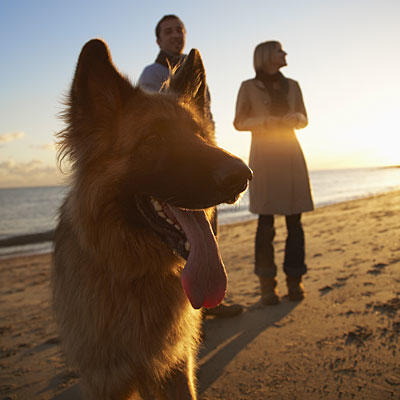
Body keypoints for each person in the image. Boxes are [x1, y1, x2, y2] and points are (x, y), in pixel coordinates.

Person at [138, 15, 242, 318]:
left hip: (203, 164)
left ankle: (209, 303)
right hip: (177, 171)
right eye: (168, 31)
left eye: (179, 30)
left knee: (206, 237)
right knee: (177, 243)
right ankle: (187, 308)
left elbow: (204, 118)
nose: (175, 35)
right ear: (158, 40)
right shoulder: (152, 72)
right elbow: (150, 119)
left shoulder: (193, 69)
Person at [233, 41, 314, 305]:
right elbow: (238, 122)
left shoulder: (294, 85)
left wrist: (296, 119)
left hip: (290, 154)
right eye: (280, 50)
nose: (285, 54)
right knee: (265, 224)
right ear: (267, 56)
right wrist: (265, 122)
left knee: (295, 223)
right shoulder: (247, 87)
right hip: (264, 158)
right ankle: (267, 286)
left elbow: (304, 117)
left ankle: (295, 281)